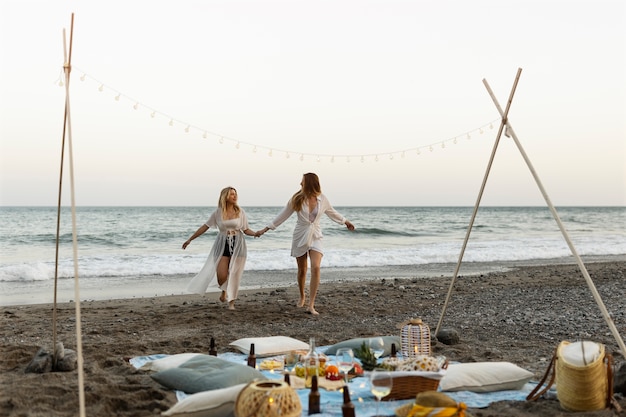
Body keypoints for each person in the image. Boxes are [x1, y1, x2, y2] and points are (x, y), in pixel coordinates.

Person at [256, 173, 355, 315]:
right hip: (300, 235)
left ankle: (311, 304)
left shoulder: (322, 199)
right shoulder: (296, 199)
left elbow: (332, 212)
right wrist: (265, 229)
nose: (300, 183)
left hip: (316, 235)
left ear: (309, 183)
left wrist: (345, 221)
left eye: (302, 181)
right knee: (302, 270)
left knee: (315, 267)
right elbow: (282, 215)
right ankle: (302, 295)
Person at [182, 187, 257, 310]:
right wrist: (190, 239)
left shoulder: (240, 211)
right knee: (221, 276)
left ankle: (231, 303)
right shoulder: (217, 212)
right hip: (222, 244)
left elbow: (246, 229)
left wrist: (255, 233)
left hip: (238, 243)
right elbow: (205, 227)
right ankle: (224, 291)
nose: (235, 196)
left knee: (234, 274)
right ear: (225, 196)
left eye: (235, 194)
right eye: (232, 194)